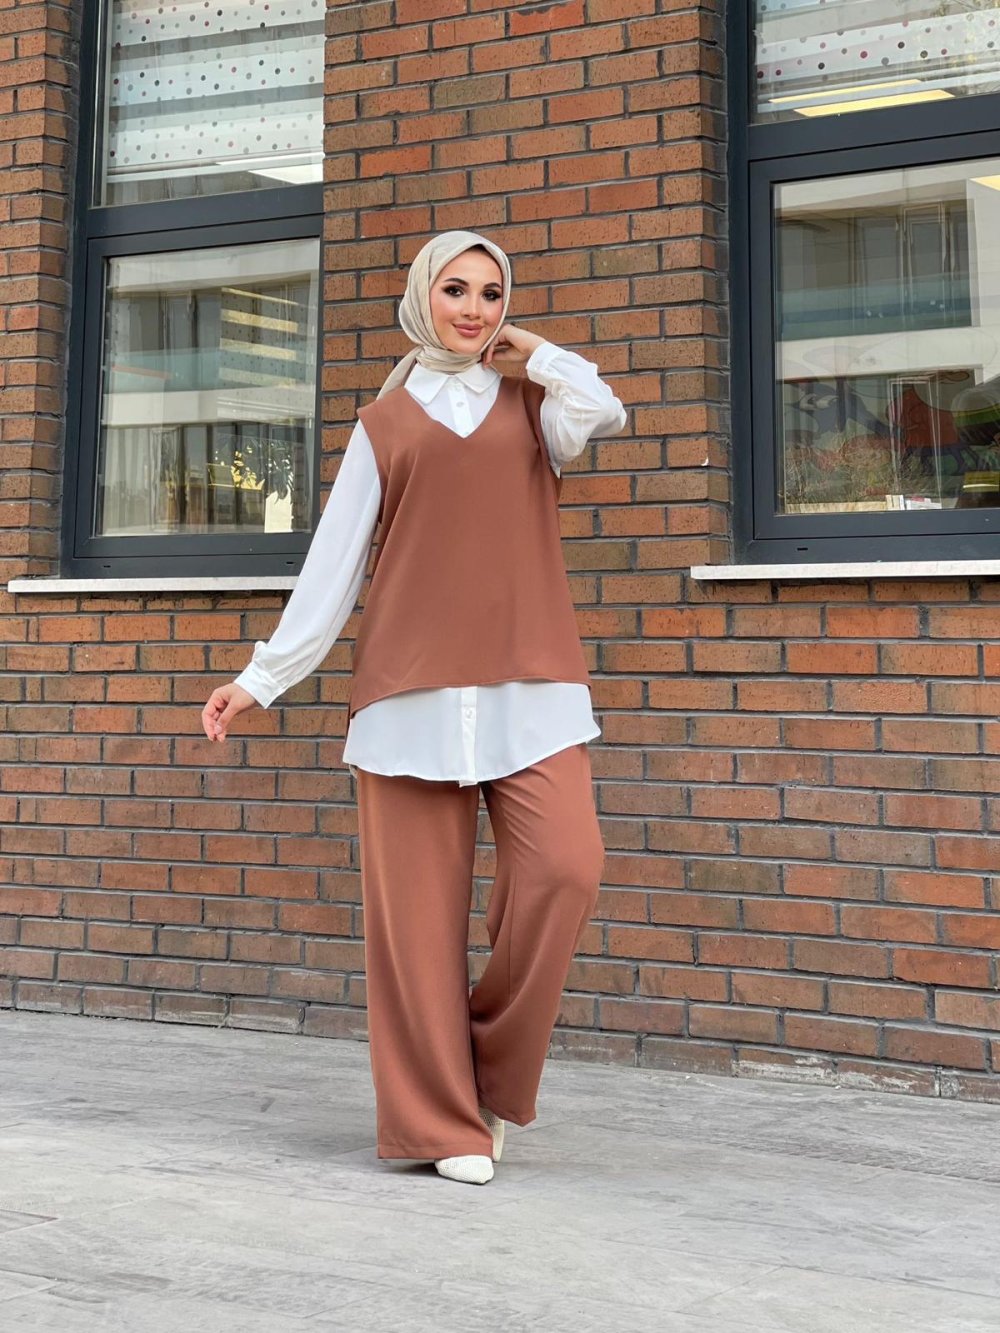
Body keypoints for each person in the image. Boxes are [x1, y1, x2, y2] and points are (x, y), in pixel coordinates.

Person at [201, 230, 627, 1185]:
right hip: (406, 697)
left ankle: (488, 1071)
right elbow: (334, 565)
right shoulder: (383, 423)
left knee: (567, 867)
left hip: (532, 689)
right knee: (415, 932)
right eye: (455, 290)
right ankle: (442, 1122)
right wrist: (261, 678)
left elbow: (603, 408)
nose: (474, 309)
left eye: (491, 293)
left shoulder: (537, 409)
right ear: (421, 298)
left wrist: (537, 353)